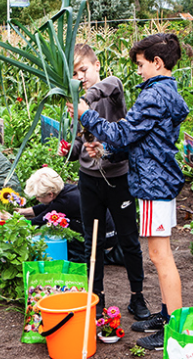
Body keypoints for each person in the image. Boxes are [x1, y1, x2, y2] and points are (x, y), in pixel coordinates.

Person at [73, 34, 189, 350]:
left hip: (154, 184)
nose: (138, 71)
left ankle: (173, 328)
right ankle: (166, 315)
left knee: (160, 256)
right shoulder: (162, 92)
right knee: (158, 254)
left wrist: (86, 114)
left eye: (140, 64)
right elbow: (137, 140)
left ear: (157, 62)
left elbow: (123, 133)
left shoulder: (154, 96)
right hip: (156, 180)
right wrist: (106, 151)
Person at [62, 44, 150, 322]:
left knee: (129, 239)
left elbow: (108, 86)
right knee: (93, 242)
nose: (81, 76)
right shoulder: (77, 106)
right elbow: (81, 143)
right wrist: (71, 150)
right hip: (89, 181)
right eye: (75, 74)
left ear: (97, 65)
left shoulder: (111, 89)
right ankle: (96, 298)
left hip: (118, 178)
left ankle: (137, 297)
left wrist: (82, 99)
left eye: (84, 70)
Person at [16, 167, 85, 263]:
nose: (36, 199)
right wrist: (22, 211)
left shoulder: (64, 202)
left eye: (38, 196)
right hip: (102, 229)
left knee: (60, 225)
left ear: (50, 194)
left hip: (99, 237)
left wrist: (14, 221)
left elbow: (39, 221)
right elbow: (46, 207)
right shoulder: (66, 190)